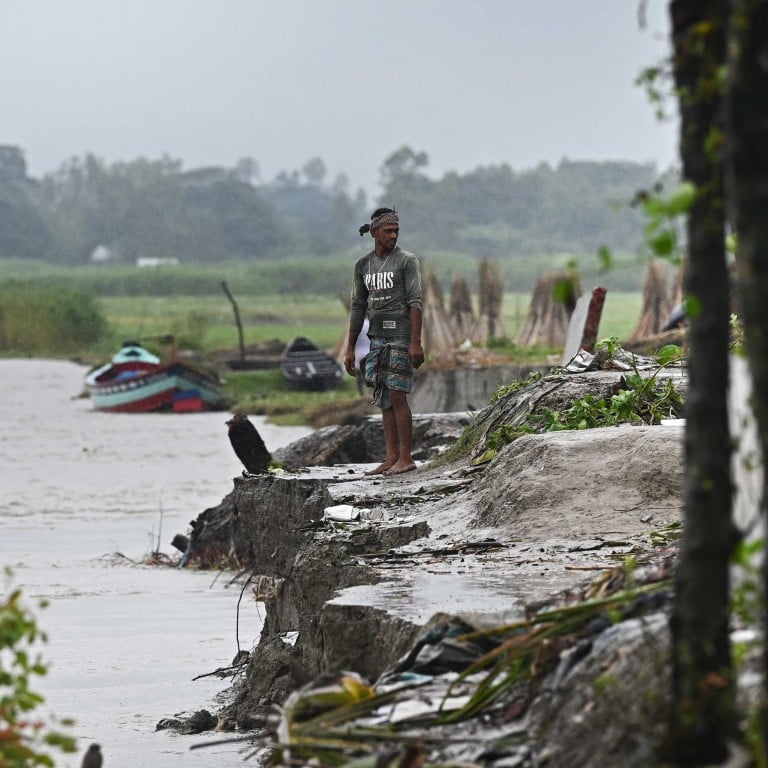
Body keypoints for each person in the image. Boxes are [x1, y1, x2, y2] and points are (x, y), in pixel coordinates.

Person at [344, 207, 424, 475]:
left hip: (400, 337)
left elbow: (415, 302)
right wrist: (350, 349)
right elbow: (357, 307)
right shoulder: (363, 266)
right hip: (376, 338)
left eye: (396, 231)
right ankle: (390, 457)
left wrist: (416, 342)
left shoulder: (406, 262)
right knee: (384, 398)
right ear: (374, 233)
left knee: (399, 395)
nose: (393, 236)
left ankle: (406, 457)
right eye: (388, 231)